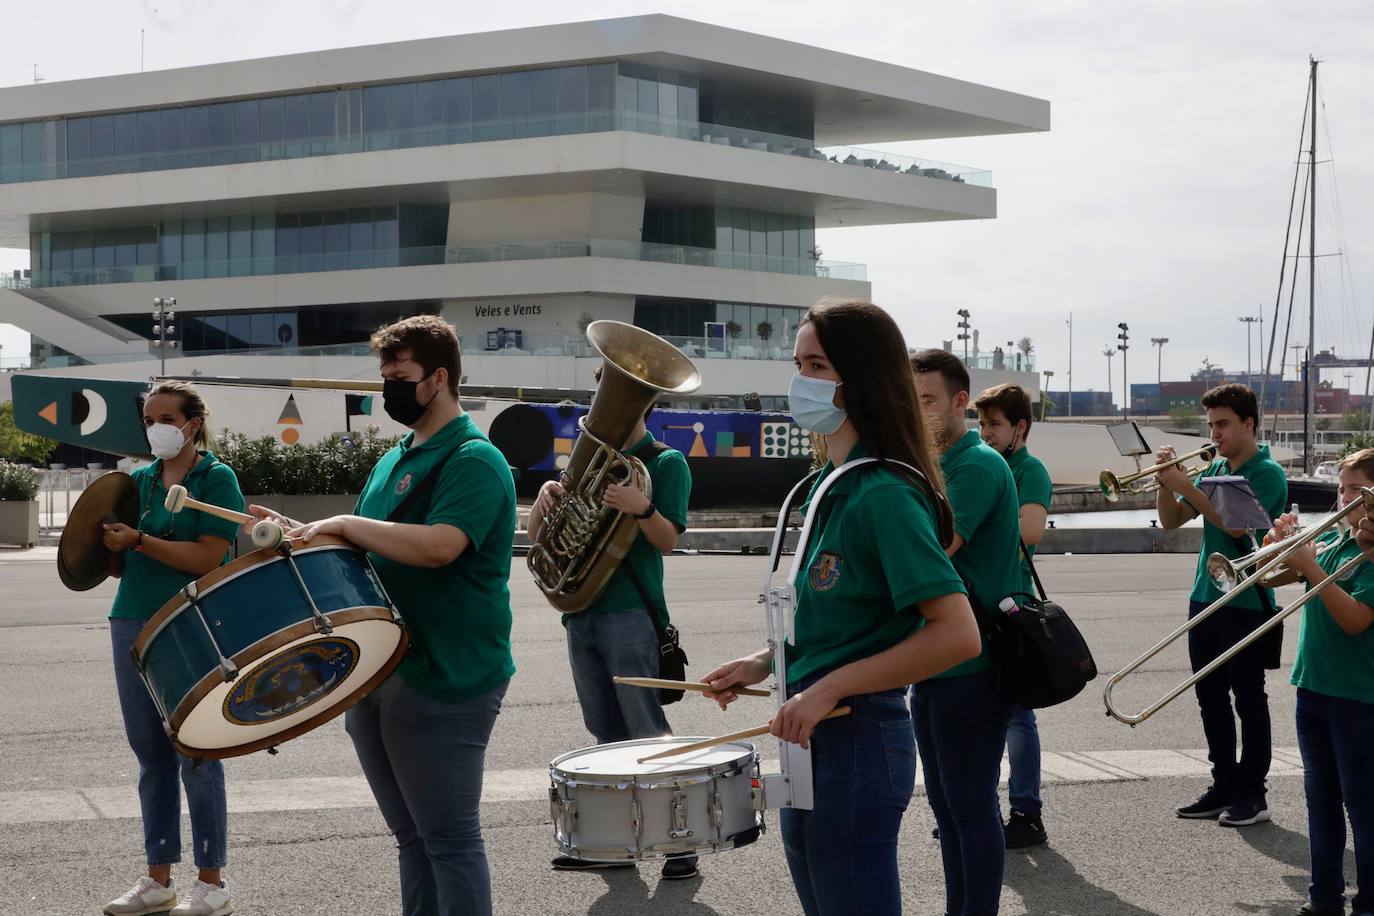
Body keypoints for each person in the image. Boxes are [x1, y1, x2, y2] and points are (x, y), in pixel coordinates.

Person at [703, 299, 982, 916]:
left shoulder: (882, 492)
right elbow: (842, 625)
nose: (800, 382)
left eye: (816, 365)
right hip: (813, 732)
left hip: (856, 737)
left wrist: (828, 688)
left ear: (860, 379)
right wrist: (762, 663)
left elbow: (958, 635)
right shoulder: (832, 486)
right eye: (797, 363)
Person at [254, 315, 515, 916]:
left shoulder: (474, 458)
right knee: (412, 840)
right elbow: (370, 546)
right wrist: (305, 535)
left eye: (400, 376)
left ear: (439, 377)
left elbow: (440, 545)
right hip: (379, 670)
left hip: (446, 672)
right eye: (384, 376)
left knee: (448, 841)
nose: (388, 389)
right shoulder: (395, 457)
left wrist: (345, 523)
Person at [526, 366, 697, 879]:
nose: (604, 405)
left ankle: (679, 843)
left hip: (630, 615)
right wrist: (541, 506)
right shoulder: (587, 465)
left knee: (647, 731)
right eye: (602, 393)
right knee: (605, 734)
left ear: (643, 403)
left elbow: (668, 540)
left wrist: (641, 507)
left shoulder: (666, 463)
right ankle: (617, 843)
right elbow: (542, 541)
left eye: (616, 395)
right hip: (582, 614)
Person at [100, 380, 245, 916]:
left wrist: (137, 540)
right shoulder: (138, 480)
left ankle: (211, 882)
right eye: (148, 419)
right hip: (131, 616)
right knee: (149, 753)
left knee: (197, 750)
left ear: (192, 423)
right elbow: (113, 564)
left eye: (166, 417)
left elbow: (208, 557)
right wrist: (105, 544)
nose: (156, 427)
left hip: (191, 618)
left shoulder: (217, 478)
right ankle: (157, 878)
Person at [911, 350, 1023, 916]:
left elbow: (933, 552)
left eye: (927, 400)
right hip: (937, 661)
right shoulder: (938, 463)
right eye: (912, 399)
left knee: (970, 804)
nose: (918, 411)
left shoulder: (974, 465)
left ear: (960, 402)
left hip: (972, 665)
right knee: (947, 806)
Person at [1155, 383, 1287, 827]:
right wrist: (1164, 483)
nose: (1215, 434)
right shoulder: (1213, 467)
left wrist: (1186, 487)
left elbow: (1238, 530)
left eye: (1224, 425)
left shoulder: (1267, 473)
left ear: (1248, 423)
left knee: (1248, 697)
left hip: (1247, 597)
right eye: (1211, 425)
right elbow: (1172, 520)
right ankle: (1224, 782)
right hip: (1205, 595)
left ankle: (1254, 792)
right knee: (1209, 695)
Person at [1263, 449, 1374, 916]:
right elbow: (1267, 579)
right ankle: (1322, 897)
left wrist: (1311, 567)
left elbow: (1355, 620)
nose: (1344, 499)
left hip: (1358, 697)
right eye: (1341, 489)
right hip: (1313, 688)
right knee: (1320, 803)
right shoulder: (1337, 543)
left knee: (1363, 809)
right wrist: (1278, 544)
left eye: (1355, 490)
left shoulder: (1370, 555)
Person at [974, 383, 1052, 850]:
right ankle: (977, 810)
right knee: (979, 713)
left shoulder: (1029, 469)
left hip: (1012, 606)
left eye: (995, 425)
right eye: (981, 424)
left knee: (1018, 718)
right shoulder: (985, 462)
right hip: (979, 604)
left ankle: (1027, 812)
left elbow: (1032, 528)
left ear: (1019, 428)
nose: (985, 433)